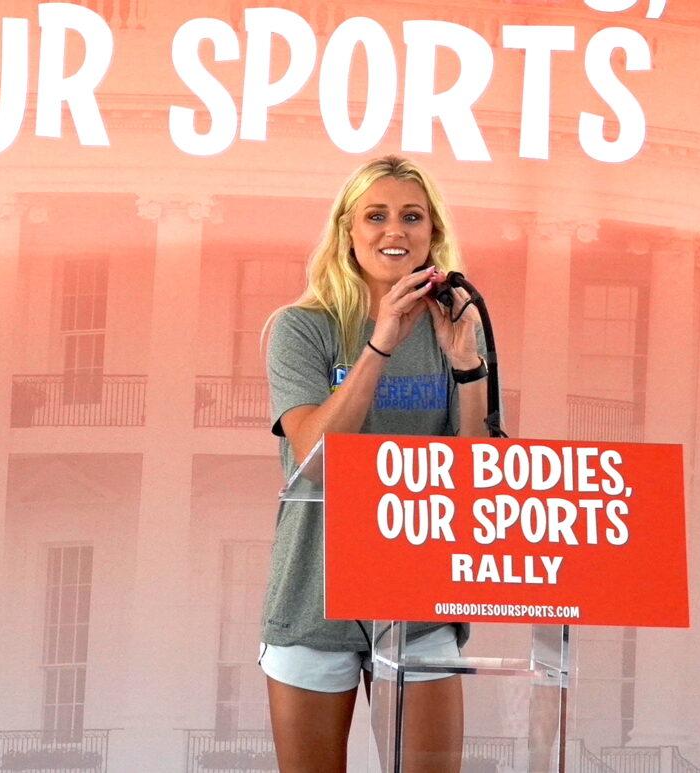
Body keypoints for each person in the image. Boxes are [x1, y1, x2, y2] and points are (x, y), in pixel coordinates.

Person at [260, 155, 490, 772]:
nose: (395, 230)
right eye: (377, 215)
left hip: (419, 594)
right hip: (315, 592)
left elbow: (477, 476)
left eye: (412, 217)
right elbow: (313, 458)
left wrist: (467, 366)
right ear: (347, 232)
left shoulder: (457, 326)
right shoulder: (300, 329)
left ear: (432, 236)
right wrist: (382, 338)